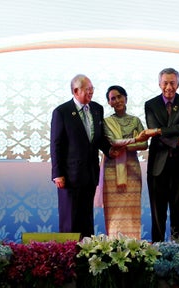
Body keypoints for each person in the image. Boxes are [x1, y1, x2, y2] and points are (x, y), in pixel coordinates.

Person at [50, 74, 112, 238]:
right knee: (70, 219)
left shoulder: (97, 109)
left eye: (92, 89)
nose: (91, 92)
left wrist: (110, 150)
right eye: (88, 89)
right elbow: (56, 145)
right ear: (76, 90)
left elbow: (98, 138)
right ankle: (69, 257)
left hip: (90, 174)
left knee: (86, 219)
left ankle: (87, 256)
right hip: (69, 176)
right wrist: (57, 173)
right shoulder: (61, 112)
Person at [145, 67, 179, 242]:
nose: (169, 87)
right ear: (159, 84)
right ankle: (156, 251)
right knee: (157, 214)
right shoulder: (150, 105)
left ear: (178, 84)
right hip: (158, 167)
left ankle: (178, 251)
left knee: (178, 212)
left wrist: (160, 130)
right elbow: (154, 132)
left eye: (172, 83)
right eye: (165, 83)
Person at [100, 85, 156, 238]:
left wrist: (124, 145)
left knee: (132, 210)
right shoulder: (105, 122)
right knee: (115, 211)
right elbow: (112, 141)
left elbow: (144, 144)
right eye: (113, 98)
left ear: (125, 98)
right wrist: (132, 142)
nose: (117, 100)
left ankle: (133, 244)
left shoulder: (135, 120)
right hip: (112, 171)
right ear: (109, 102)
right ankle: (113, 243)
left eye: (119, 96)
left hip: (132, 169)